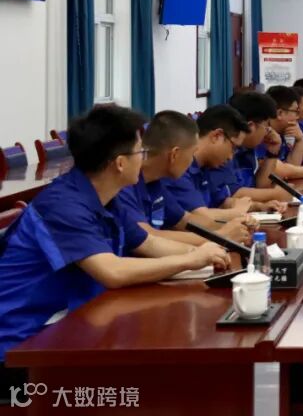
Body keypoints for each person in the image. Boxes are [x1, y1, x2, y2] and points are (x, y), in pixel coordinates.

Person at [0, 106, 229, 368]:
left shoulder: (108, 197)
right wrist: (190, 260)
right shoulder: (62, 206)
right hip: (22, 345)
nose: (144, 159)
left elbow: (148, 243)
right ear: (120, 163)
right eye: (140, 152)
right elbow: (112, 271)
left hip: (71, 328)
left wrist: (207, 254)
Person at [114, 111, 211, 246]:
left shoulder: (155, 182)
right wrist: (221, 238)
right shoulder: (125, 184)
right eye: (192, 153)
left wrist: (228, 229)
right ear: (174, 154)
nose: (192, 160)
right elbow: (147, 236)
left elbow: (184, 220)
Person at [163, 106, 258, 239]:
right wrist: (237, 213)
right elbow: (200, 218)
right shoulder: (178, 169)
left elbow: (220, 202)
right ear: (217, 136)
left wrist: (258, 206)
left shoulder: (207, 166)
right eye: (233, 148)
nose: (231, 157)